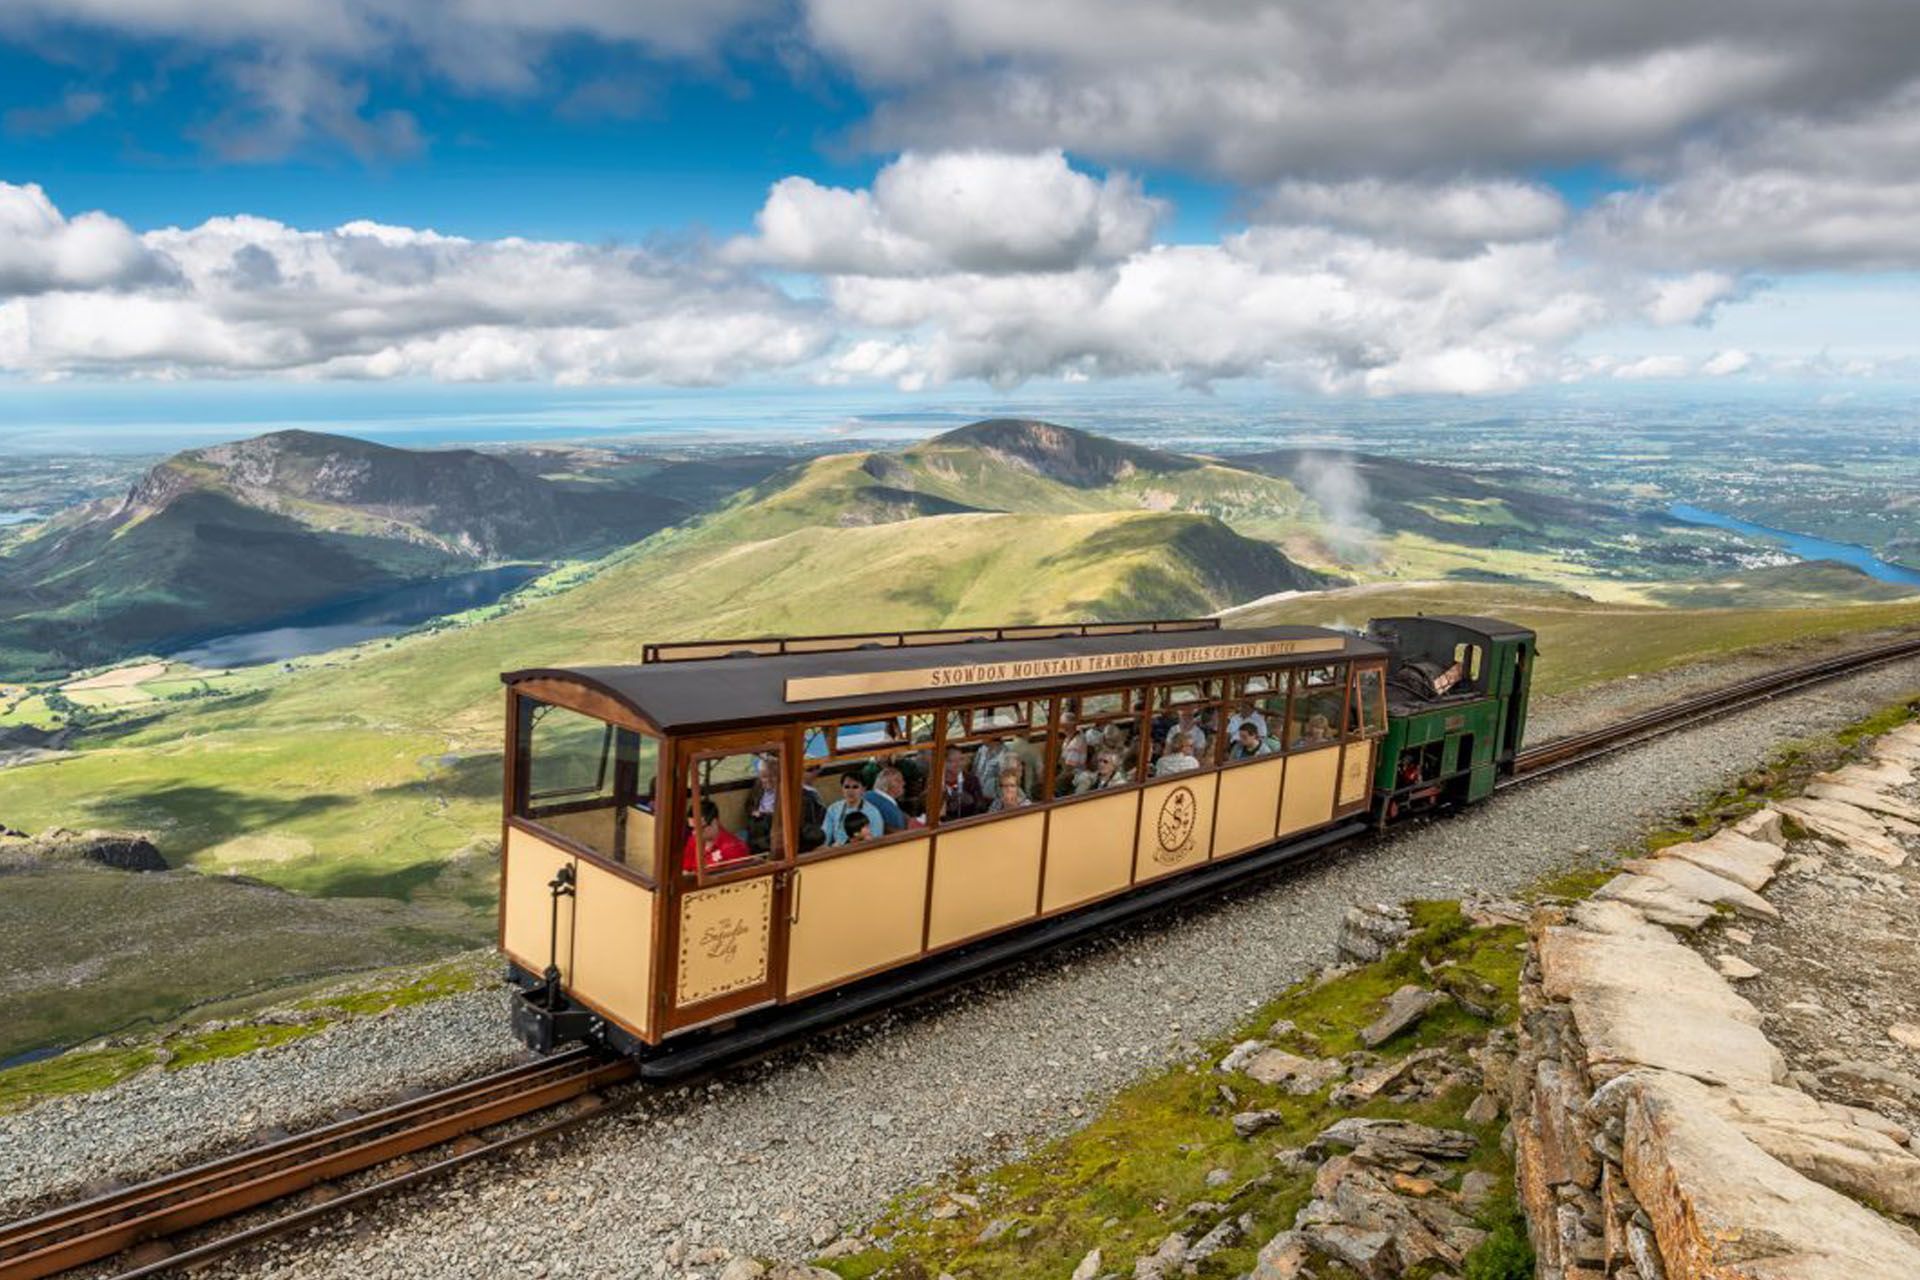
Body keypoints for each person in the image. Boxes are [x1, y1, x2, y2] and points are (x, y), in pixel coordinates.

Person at [681, 799, 750, 873]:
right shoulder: (693, 840)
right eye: (691, 828)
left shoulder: (734, 848)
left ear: (714, 822)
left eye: (699, 828)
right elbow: (685, 868)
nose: (694, 833)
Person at [823, 773, 884, 845]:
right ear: (841, 789)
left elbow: (875, 841)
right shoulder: (833, 809)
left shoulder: (873, 813)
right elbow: (825, 838)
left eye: (855, 787)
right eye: (846, 787)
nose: (850, 791)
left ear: (863, 789)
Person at [744, 754, 780, 852]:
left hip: (773, 826)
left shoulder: (784, 791)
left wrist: (766, 815)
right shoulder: (758, 787)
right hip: (758, 823)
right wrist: (753, 812)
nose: (768, 780)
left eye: (772, 776)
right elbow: (749, 805)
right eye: (764, 777)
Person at [940, 745, 986, 820]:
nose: (959, 764)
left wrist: (971, 802)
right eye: (953, 761)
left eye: (961, 759)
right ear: (944, 763)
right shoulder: (935, 782)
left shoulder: (972, 780)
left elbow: (981, 809)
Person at [868, 765, 911, 834]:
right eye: (898, 781)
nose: (903, 783)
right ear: (886, 786)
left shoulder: (866, 795)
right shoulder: (893, 814)